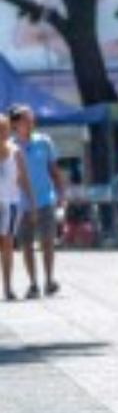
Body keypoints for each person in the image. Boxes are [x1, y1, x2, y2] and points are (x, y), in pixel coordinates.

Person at [10, 107, 66, 297]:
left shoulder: (44, 142)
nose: (31, 123)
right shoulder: (9, 147)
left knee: (48, 241)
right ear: (15, 124)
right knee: (26, 244)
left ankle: (49, 280)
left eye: (32, 120)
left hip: (45, 199)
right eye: (26, 120)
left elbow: (54, 170)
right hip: (21, 203)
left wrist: (61, 193)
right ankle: (33, 283)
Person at [0, 115, 36, 302]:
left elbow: (23, 179)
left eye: (4, 129)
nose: (2, 133)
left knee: (7, 246)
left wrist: (31, 202)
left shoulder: (15, 152)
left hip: (11, 204)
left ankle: (7, 287)